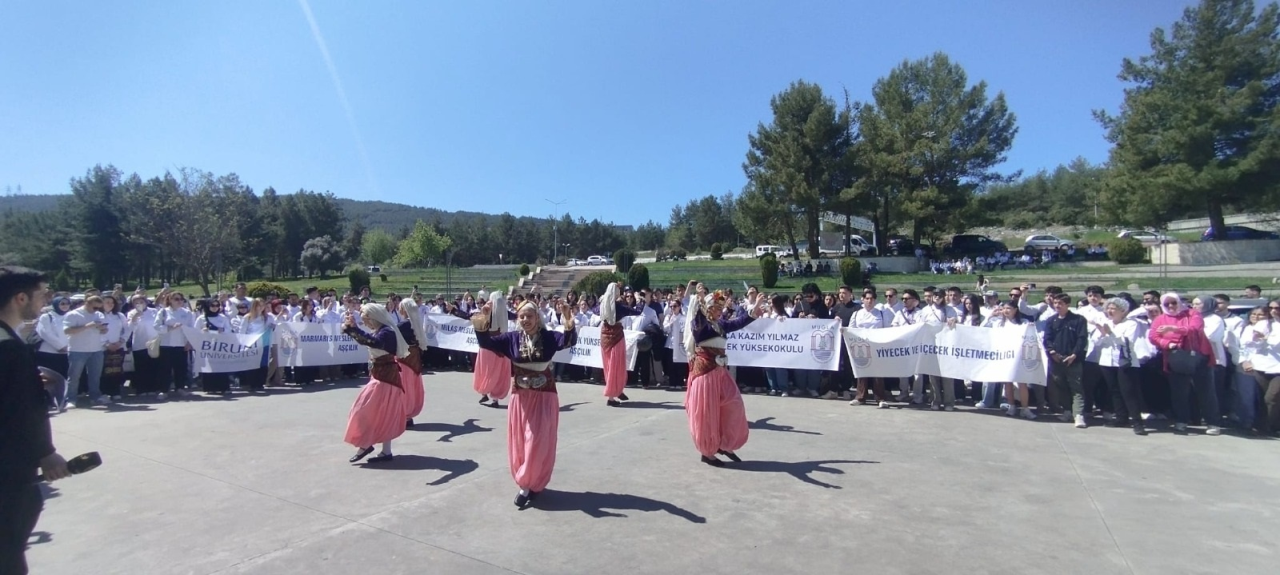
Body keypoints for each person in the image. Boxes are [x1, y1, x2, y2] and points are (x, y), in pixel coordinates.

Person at [473, 298, 577, 509]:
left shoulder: (548, 337)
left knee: (537, 439)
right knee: (522, 440)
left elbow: (568, 341)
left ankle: (528, 483)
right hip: (521, 397)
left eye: (529, 316)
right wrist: (484, 318)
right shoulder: (511, 338)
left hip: (544, 396)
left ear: (537, 318)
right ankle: (527, 481)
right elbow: (486, 344)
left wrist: (567, 317)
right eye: (521, 316)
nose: (525, 319)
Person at [0, 266, 70, 575]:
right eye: (42, 294)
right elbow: (23, 412)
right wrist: (45, 452)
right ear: (20, 298)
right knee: (8, 550)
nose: (45, 301)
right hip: (9, 471)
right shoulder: (11, 350)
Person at [683, 281, 766, 467]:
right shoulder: (701, 326)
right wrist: (700, 299)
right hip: (705, 373)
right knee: (707, 412)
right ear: (708, 308)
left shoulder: (719, 324)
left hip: (719, 371)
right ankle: (707, 451)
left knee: (733, 403)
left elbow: (737, 323)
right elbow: (696, 318)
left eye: (721, 308)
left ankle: (724, 443)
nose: (720, 311)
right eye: (716, 307)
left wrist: (754, 310)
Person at [342, 304, 409, 464]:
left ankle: (366, 445)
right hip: (381, 377)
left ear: (374, 318)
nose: (367, 323)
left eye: (367, 320)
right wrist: (353, 329)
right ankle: (385, 452)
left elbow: (374, 342)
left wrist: (354, 329)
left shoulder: (386, 332)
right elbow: (368, 340)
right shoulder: (382, 331)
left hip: (385, 379)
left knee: (363, 411)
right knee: (383, 413)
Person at [1149, 293, 1221, 435]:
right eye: (1167, 304)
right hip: (1176, 357)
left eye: (1174, 303)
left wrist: (1174, 329)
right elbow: (1153, 336)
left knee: (1206, 392)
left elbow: (1195, 328)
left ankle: (1213, 422)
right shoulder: (1160, 318)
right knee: (1179, 392)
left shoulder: (1192, 314)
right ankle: (1181, 420)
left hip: (1199, 357)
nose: (1171, 306)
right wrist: (1167, 343)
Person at [1045, 293, 1089, 428]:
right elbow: (1047, 338)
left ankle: (1078, 415)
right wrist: (1052, 352)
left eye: (1061, 304)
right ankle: (1067, 411)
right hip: (1056, 359)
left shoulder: (1078, 320)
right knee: (1061, 386)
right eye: (1056, 303)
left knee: (1076, 387)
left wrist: (1074, 355)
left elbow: (1082, 339)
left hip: (1073, 359)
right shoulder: (1051, 320)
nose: (1057, 306)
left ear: (1068, 305)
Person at [599, 282, 639, 406]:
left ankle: (618, 390)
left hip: (605, 335)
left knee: (609, 366)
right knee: (616, 367)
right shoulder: (618, 306)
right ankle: (611, 397)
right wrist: (638, 299)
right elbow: (637, 311)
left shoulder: (603, 304)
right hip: (616, 337)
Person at [474, 290, 515, 407]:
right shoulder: (504, 312)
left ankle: (485, 392)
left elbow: (477, 320)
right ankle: (495, 399)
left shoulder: (488, 311)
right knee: (499, 373)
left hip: (489, 346)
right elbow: (515, 315)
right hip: (502, 347)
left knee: (487, 371)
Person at [397, 299, 426, 429]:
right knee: (411, 386)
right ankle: (409, 415)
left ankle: (405, 414)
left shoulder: (403, 324)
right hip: (414, 358)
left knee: (405, 387)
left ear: (404, 309)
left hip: (404, 359)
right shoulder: (416, 323)